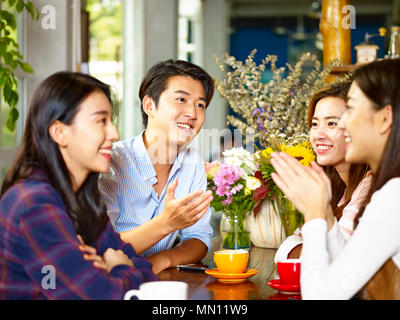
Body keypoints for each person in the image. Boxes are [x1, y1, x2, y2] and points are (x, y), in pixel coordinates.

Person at [0, 72, 157, 300]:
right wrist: (118, 268)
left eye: (111, 121)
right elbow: (104, 296)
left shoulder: (82, 197)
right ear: (60, 132)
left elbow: (147, 273)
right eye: (101, 121)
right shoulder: (33, 204)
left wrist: (109, 270)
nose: (114, 133)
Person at [270, 58, 400, 299]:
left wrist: (315, 216)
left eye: (351, 109)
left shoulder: (394, 195)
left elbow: (322, 296)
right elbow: (345, 267)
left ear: (384, 118)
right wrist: (327, 219)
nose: (344, 124)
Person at [99, 59, 214, 274]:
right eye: (181, 99)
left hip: (159, 282)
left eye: (200, 104)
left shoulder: (192, 161)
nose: (193, 113)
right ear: (149, 105)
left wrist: (163, 259)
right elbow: (103, 246)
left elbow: (199, 237)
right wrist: (165, 223)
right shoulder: (111, 161)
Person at [274, 81, 371, 262]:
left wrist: (314, 249)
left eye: (332, 123)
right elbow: (288, 246)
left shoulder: (371, 186)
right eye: (315, 123)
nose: (318, 134)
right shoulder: (334, 185)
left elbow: (338, 262)